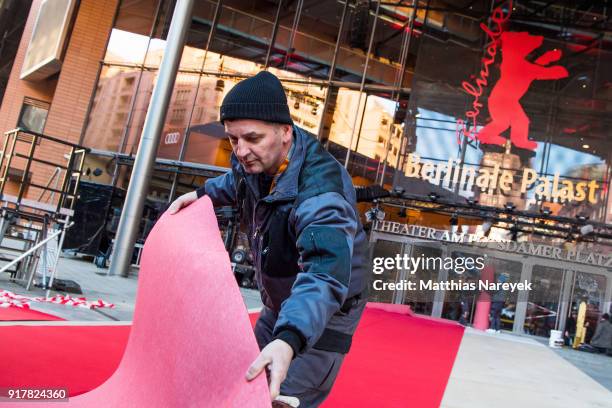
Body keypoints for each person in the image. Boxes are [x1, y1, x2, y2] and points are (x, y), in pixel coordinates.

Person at [168, 71, 369, 407]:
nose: (242, 151)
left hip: (326, 308)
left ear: (285, 132)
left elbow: (324, 272)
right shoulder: (259, 161)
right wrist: (202, 194)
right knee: (242, 379)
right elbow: (236, 182)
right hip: (280, 300)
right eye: (233, 139)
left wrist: (288, 340)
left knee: (279, 395)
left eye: (252, 138)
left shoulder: (321, 189)